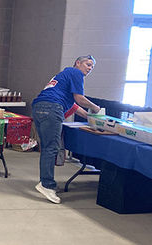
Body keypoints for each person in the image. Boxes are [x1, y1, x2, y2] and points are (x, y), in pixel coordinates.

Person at [32, 55, 100, 204]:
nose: (90, 69)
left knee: (47, 148)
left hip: (39, 107)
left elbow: (73, 105)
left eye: (92, 67)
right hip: (52, 108)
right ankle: (46, 185)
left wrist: (90, 118)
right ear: (78, 63)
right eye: (88, 65)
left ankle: (45, 182)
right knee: (51, 148)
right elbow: (79, 98)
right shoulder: (76, 73)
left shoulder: (63, 74)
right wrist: (95, 108)